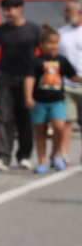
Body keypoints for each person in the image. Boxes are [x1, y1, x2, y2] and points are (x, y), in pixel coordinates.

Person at [0, 0, 40, 170]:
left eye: (10, 9)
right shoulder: (0, 30)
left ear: (20, 8)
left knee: (25, 117)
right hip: (5, 77)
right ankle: (1, 157)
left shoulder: (33, 29)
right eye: (5, 9)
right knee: (3, 117)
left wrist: (38, 74)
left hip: (27, 78)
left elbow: (43, 52)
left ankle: (24, 155)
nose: (7, 13)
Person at [25, 26, 77, 174]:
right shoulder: (36, 62)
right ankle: (42, 160)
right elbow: (29, 79)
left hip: (57, 101)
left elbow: (72, 76)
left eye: (56, 43)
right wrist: (28, 97)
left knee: (59, 127)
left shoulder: (61, 60)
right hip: (40, 102)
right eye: (50, 43)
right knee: (40, 131)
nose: (53, 46)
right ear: (41, 44)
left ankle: (56, 155)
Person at [55, 0, 82, 157]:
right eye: (65, 11)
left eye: (69, 11)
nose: (65, 14)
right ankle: (63, 153)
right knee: (67, 121)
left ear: (80, 12)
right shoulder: (61, 33)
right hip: (66, 84)